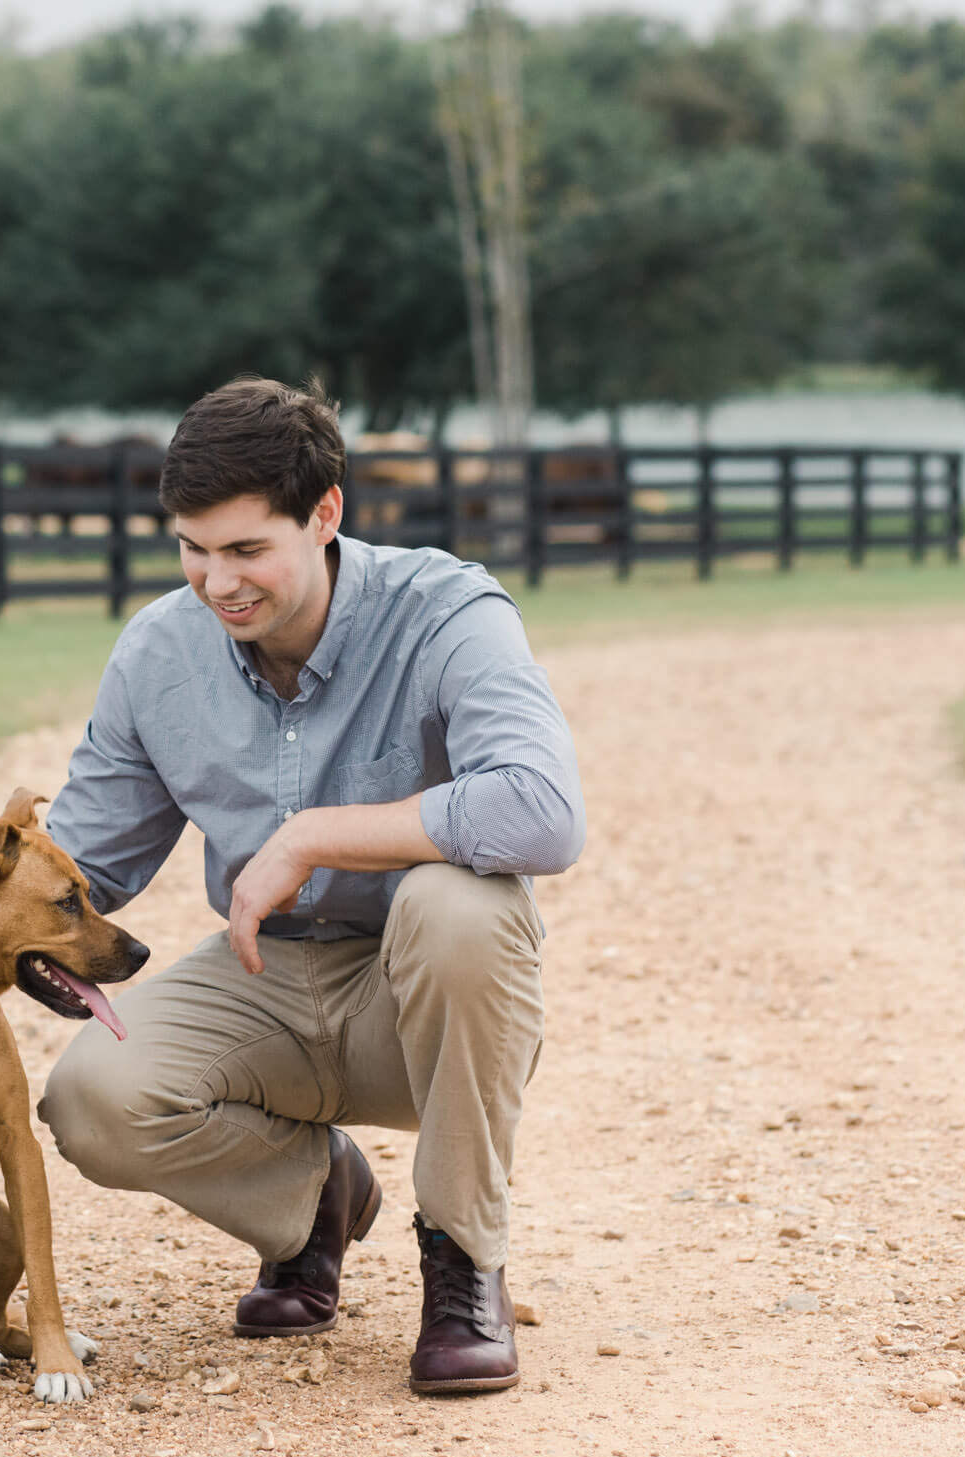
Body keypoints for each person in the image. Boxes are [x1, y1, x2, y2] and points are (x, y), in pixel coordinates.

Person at [36, 377, 584, 1394]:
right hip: (266, 978)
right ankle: (314, 1198)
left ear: (324, 515)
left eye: (245, 550)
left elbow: (543, 812)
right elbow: (86, 863)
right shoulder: (157, 652)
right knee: (88, 1096)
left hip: (417, 991)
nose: (214, 582)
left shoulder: (442, 611)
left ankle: (463, 1261)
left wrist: (314, 835)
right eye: (192, 549)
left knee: (457, 902)